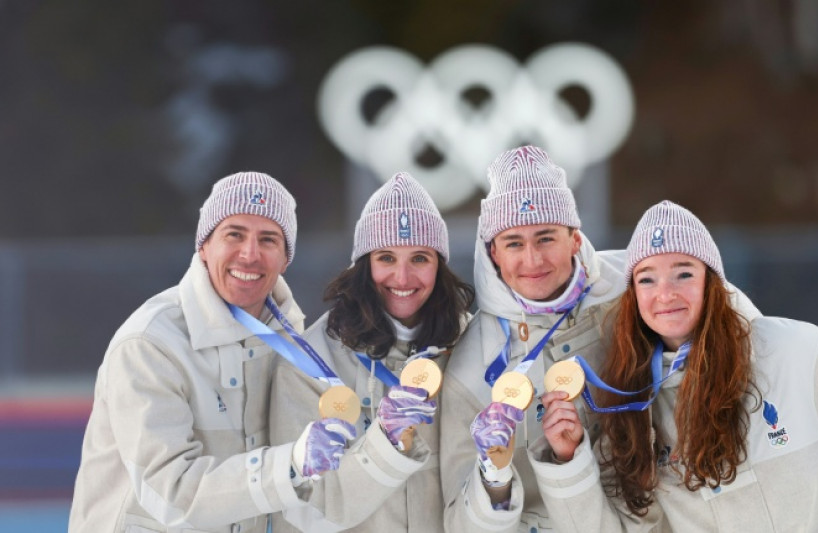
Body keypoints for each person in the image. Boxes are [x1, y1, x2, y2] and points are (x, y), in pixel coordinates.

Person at [530, 200, 818, 531]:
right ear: (633, 297)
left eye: (683, 273)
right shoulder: (631, 408)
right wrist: (568, 459)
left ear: (712, 282)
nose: (665, 293)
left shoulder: (802, 353)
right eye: (647, 279)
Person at [69, 171, 358, 532]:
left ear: (286, 260)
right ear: (204, 246)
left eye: (268, 239)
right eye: (234, 234)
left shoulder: (294, 347)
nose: (249, 254)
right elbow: (171, 492)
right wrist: (292, 462)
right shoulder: (150, 344)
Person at [269, 171, 475, 532]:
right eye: (386, 258)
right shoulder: (309, 363)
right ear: (363, 265)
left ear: (439, 266)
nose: (403, 277)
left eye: (420, 258)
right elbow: (304, 512)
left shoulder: (472, 344)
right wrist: (384, 443)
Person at [439, 145, 630, 532]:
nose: (532, 260)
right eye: (513, 243)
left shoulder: (638, 289)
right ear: (493, 252)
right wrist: (493, 478)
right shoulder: (471, 362)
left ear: (575, 238)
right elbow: (458, 525)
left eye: (546, 238)